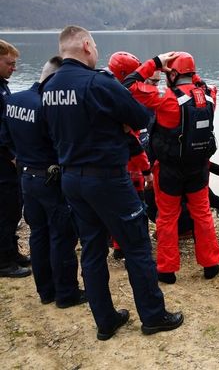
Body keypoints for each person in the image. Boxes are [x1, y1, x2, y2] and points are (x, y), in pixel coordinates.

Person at [41, 25, 182, 340]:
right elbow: (140, 117)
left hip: (71, 178)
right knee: (136, 245)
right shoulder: (97, 82)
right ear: (86, 46)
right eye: (95, 48)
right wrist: (118, 125)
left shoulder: (49, 86)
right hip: (106, 178)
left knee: (92, 248)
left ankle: (105, 321)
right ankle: (153, 315)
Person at [123, 51, 219, 284]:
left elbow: (128, 86)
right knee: (202, 214)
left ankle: (167, 270)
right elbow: (200, 85)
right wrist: (187, 73)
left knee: (167, 218)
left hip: (169, 170)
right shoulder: (210, 95)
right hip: (198, 168)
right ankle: (210, 264)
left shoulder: (165, 97)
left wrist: (155, 63)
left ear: (174, 74)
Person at [0, 56, 85, 307]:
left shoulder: (14, 100)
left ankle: (46, 292)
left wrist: (22, 160)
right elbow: (63, 145)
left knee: (38, 234)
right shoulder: (47, 107)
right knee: (62, 236)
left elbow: (5, 139)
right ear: (55, 79)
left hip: (26, 177)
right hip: (50, 178)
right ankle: (66, 294)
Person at [107, 51, 153, 260]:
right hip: (131, 169)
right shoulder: (125, 101)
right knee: (137, 209)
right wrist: (147, 170)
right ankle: (136, 245)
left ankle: (118, 245)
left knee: (116, 208)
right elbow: (134, 143)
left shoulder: (103, 94)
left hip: (109, 165)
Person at [0, 39, 31, 278]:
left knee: (13, 208)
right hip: (3, 162)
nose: (14, 68)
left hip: (10, 160)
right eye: (9, 63)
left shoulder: (3, 86)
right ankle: (3, 261)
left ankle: (11, 250)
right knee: (4, 209)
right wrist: (11, 156)